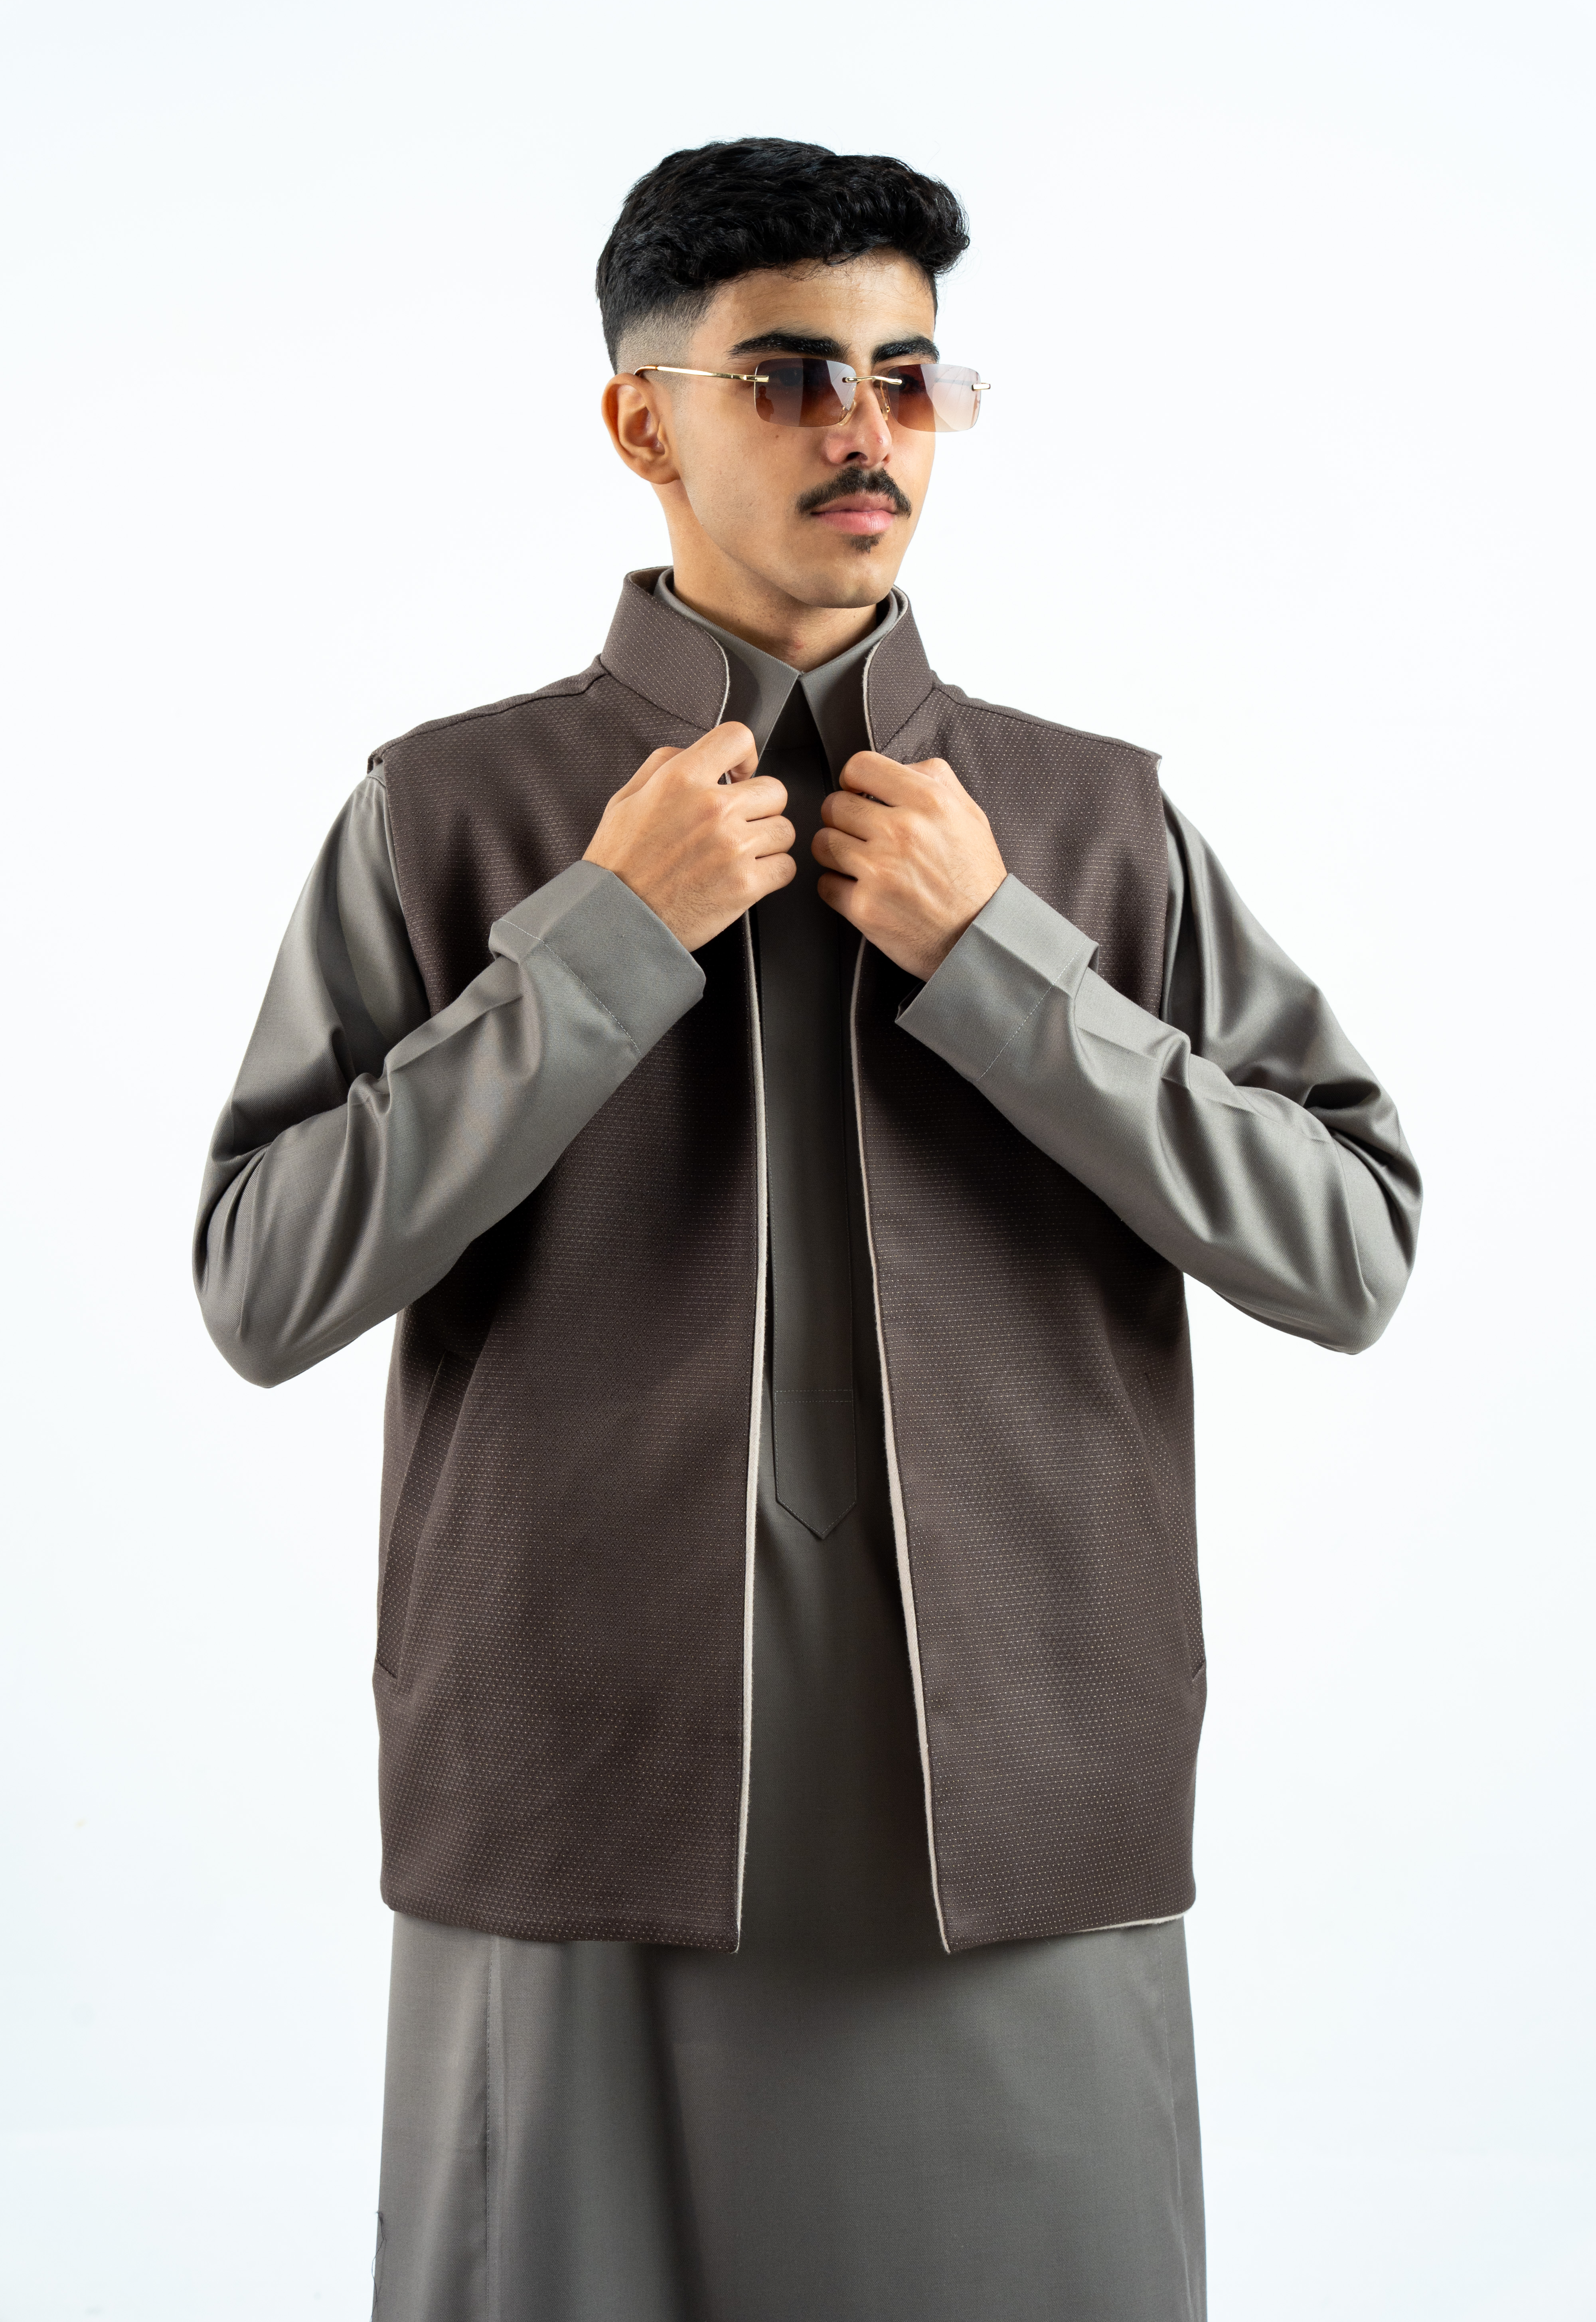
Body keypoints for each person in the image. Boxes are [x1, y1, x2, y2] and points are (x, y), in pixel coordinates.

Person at [195, 137, 1421, 2322]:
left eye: (908, 375)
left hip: (1020, 1836)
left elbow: (1349, 1248)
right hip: (573, 1835)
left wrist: (1005, 961)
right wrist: (597, 941)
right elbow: (264, 1283)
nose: (867, 428)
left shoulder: (1093, 822)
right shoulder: (448, 812)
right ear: (641, 422)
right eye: (786, 376)